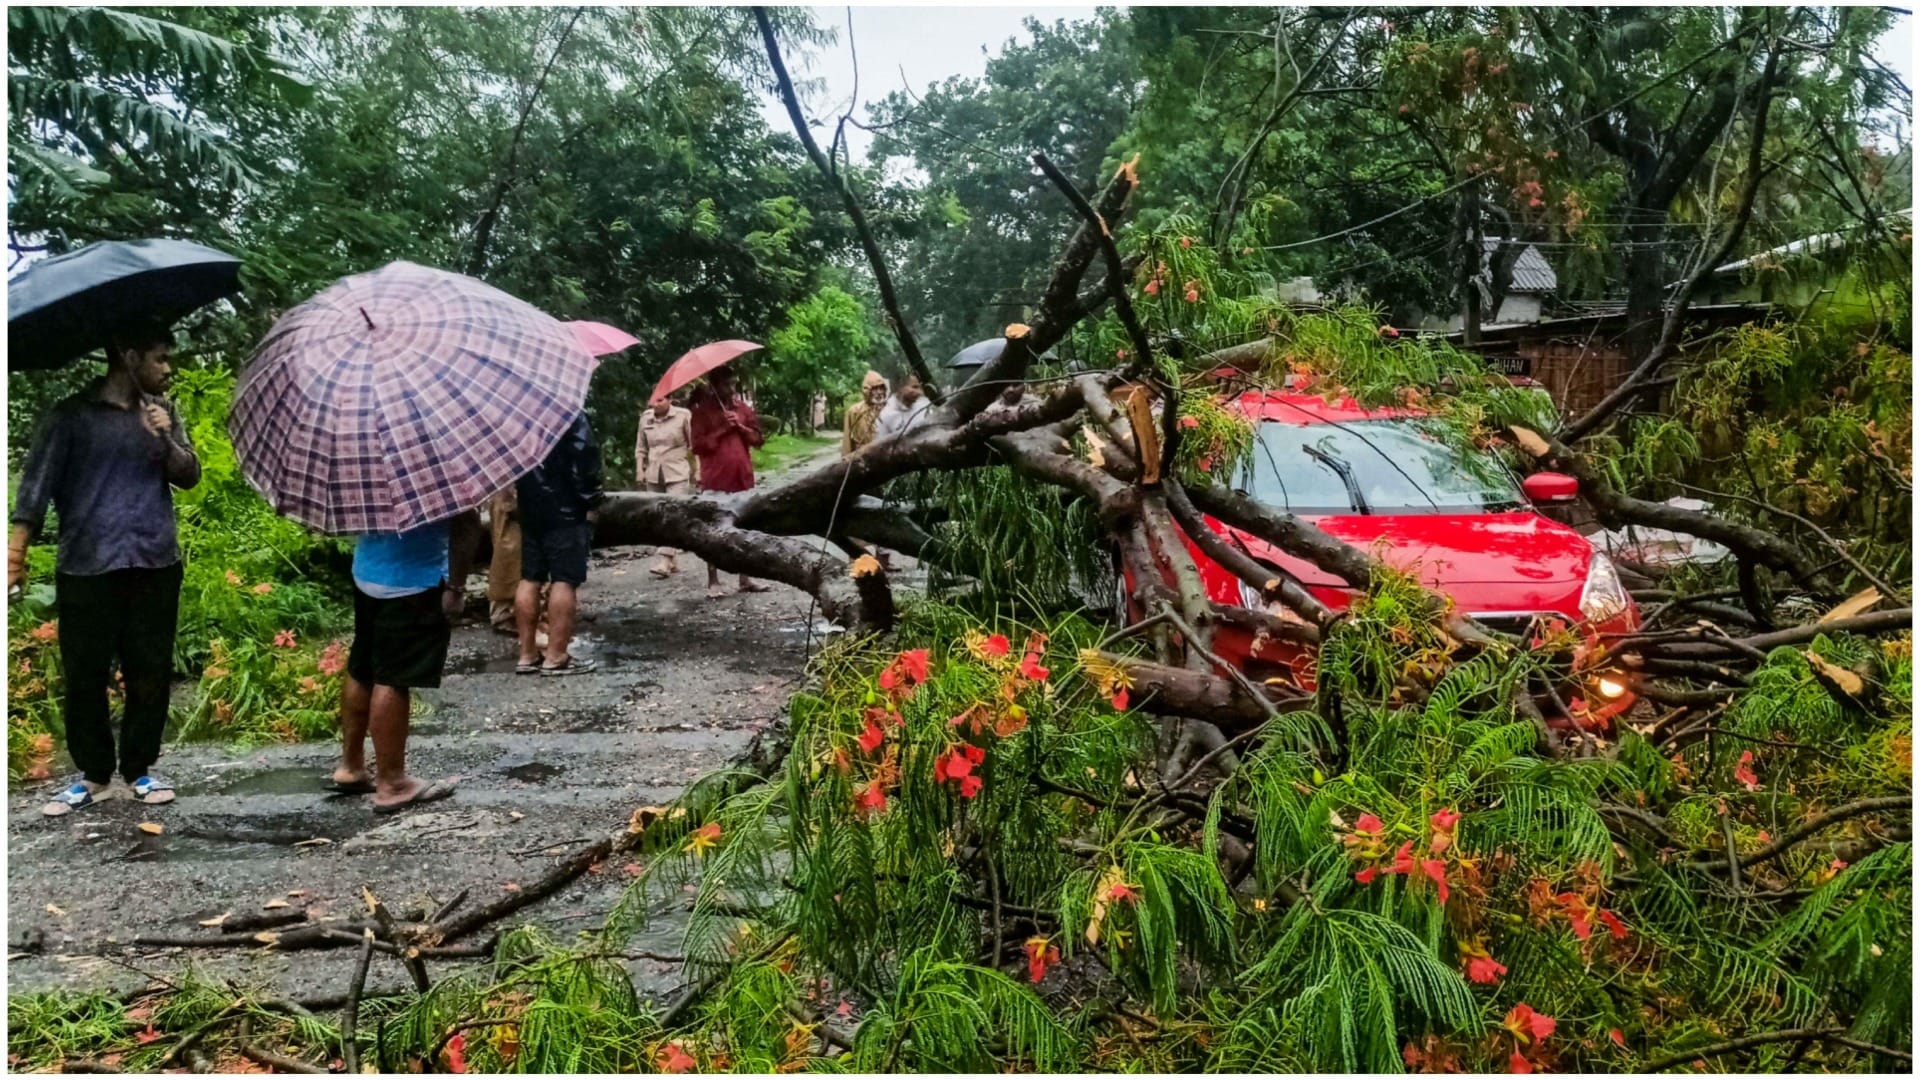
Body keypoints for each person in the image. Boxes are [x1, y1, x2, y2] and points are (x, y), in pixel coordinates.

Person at [11, 321, 198, 816]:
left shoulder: (165, 413)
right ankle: (93, 776)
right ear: (128, 355)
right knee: (85, 675)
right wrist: (15, 553)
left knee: (150, 671)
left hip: (154, 560)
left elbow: (189, 477)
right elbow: (36, 487)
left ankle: (139, 769)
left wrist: (166, 441)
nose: (167, 368)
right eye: (159, 358)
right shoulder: (72, 416)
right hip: (87, 564)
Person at [332, 510, 477, 812]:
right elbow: (465, 521)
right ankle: (393, 783)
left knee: (363, 668)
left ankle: (351, 765)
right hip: (414, 580)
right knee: (394, 679)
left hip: (367, 572)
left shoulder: (364, 465)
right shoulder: (434, 467)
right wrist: (457, 587)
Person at [515, 411, 605, 675]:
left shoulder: (517, 411)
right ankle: (556, 655)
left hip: (530, 507)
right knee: (565, 578)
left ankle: (527, 654)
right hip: (565, 507)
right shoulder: (567, 409)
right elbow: (585, 453)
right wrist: (591, 499)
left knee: (530, 577)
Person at [688, 367, 771, 599]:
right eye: (726, 384)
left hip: (742, 477)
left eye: (733, 384)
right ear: (714, 386)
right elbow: (699, 446)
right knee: (713, 530)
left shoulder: (742, 409)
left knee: (744, 527)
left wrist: (740, 427)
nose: (732, 389)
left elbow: (758, 440)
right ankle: (713, 581)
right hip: (715, 478)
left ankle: (745, 578)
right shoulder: (702, 412)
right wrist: (723, 429)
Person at [636, 393, 693, 578]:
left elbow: (694, 445)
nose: (655, 403)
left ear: (670, 400)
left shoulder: (683, 416)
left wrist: (698, 469)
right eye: (653, 400)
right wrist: (640, 469)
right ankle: (673, 560)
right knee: (656, 514)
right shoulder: (646, 418)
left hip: (677, 471)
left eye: (660, 400)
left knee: (672, 513)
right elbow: (641, 447)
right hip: (654, 472)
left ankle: (665, 560)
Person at [483, 486, 521, 634]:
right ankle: (504, 614)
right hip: (507, 502)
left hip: (503, 499)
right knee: (508, 557)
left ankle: (505, 612)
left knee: (506, 557)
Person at [841, 371, 888, 456]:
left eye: (881, 388)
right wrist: (846, 461)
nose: (879, 392)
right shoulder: (855, 411)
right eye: (875, 389)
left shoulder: (889, 409)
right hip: (862, 458)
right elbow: (847, 441)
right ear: (867, 390)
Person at [876, 375, 931, 441]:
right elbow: (883, 446)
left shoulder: (924, 404)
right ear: (900, 387)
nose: (920, 392)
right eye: (914, 387)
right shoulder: (884, 416)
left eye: (920, 387)